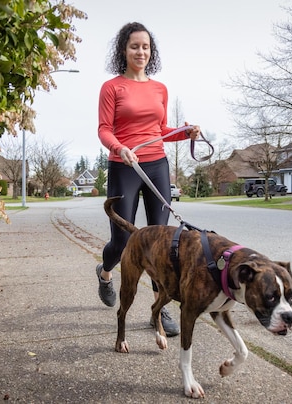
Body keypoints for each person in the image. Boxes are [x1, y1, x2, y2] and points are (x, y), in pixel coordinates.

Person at [95, 22, 201, 337]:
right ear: (123, 50)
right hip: (124, 165)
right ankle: (104, 273)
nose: (140, 52)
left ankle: (160, 308)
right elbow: (104, 128)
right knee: (123, 240)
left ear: (150, 52)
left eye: (145, 47)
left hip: (156, 163)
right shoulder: (112, 87)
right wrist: (119, 147)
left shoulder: (160, 89)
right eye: (134, 46)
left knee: (162, 241)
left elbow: (161, 130)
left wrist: (185, 133)